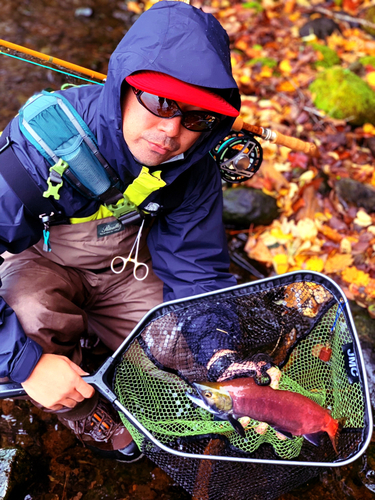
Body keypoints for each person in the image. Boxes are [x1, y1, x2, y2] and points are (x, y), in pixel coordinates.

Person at [0, 0, 242, 461]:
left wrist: (220, 352)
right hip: (41, 261)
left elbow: (199, 272)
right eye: (160, 101)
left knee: (184, 349)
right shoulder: (42, 146)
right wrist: (26, 365)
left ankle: (116, 356)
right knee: (28, 317)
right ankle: (82, 409)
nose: (170, 131)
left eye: (195, 117)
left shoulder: (194, 167)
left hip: (124, 268)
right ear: (123, 87)